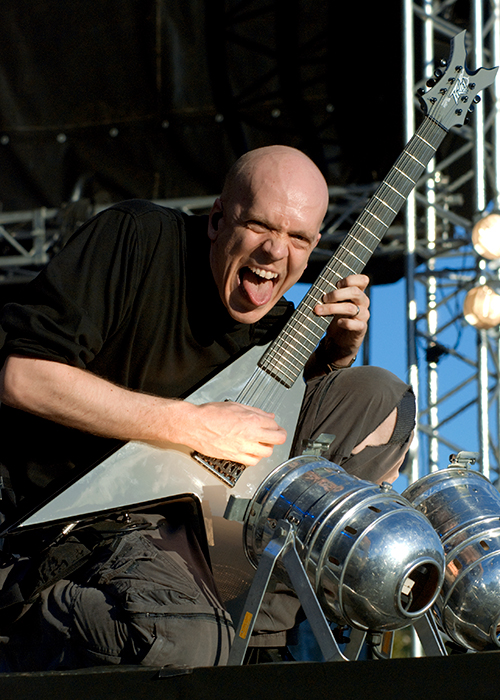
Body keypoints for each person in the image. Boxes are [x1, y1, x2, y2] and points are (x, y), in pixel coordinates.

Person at [0, 145, 415, 670]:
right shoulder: (137, 238)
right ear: (218, 218)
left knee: (376, 396)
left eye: (298, 238)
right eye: (260, 226)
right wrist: (189, 424)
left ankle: (257, 620)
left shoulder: (277, 328)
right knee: (193, 649)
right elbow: (23, 377)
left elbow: (293, 437)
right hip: (67, 536)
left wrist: (337, 353)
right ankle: (29, 621)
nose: (274, 252)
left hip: (199, 545)